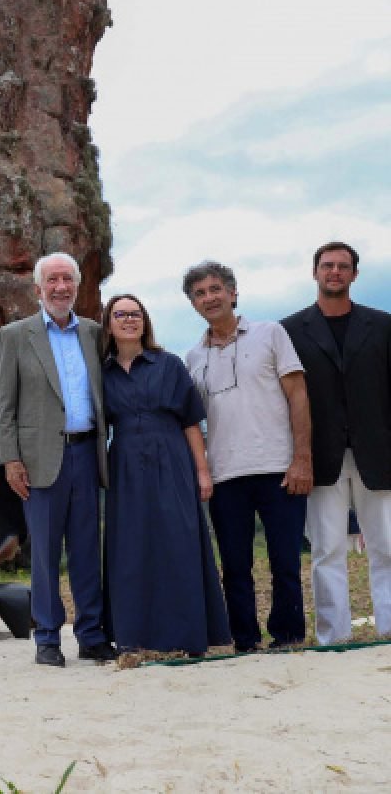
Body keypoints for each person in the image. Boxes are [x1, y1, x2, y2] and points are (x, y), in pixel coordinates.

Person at [183, 260, 313, 652]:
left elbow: (298, 394)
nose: (209, 298)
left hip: (278, 466)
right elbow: (193, 423)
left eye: (215, 289)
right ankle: (245, 639)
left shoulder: (270, 334)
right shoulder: (192, 358)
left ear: (233, 292)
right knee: (236, 567)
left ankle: (288, 636)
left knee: (286, 561)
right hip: (224, 475)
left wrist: (302, 458)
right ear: (193, 303)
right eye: (200, 294)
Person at [0, 251, 116, 667]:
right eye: (53, 280)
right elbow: (5, 406)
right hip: (39, 460)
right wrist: (10, 459)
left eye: (68, 279)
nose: (61, 286)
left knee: (87, 552)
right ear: (38, 289)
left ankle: (92, 635)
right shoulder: (15, 336)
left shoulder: (95, 335)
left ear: (77, 287)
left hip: (86, 453)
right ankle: (47, 638)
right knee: (45, 555)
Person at [100, 294, 231, 655]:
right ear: (109, 323)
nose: (129, 320)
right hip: (124, 464)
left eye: (136, 313)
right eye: (120, 314)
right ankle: (133, 637)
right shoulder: (101, 372)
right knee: (130, 548)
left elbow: (191, 421)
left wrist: (202, 471)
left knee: (179, 542)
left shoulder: (169, 364)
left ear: (145, 320)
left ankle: (189, 637)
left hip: (172, 458)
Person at [282, 242, 391, 644]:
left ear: (354, 275)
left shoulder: (383, 325)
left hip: (378, 454)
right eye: (327, 265)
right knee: (327, 549)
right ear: (315, 272)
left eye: (343, 266)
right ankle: (333, 636)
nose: (335, 272)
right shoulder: (289, 330)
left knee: (387, 545)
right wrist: (296, 455)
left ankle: (389, 630)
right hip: (319, 455)